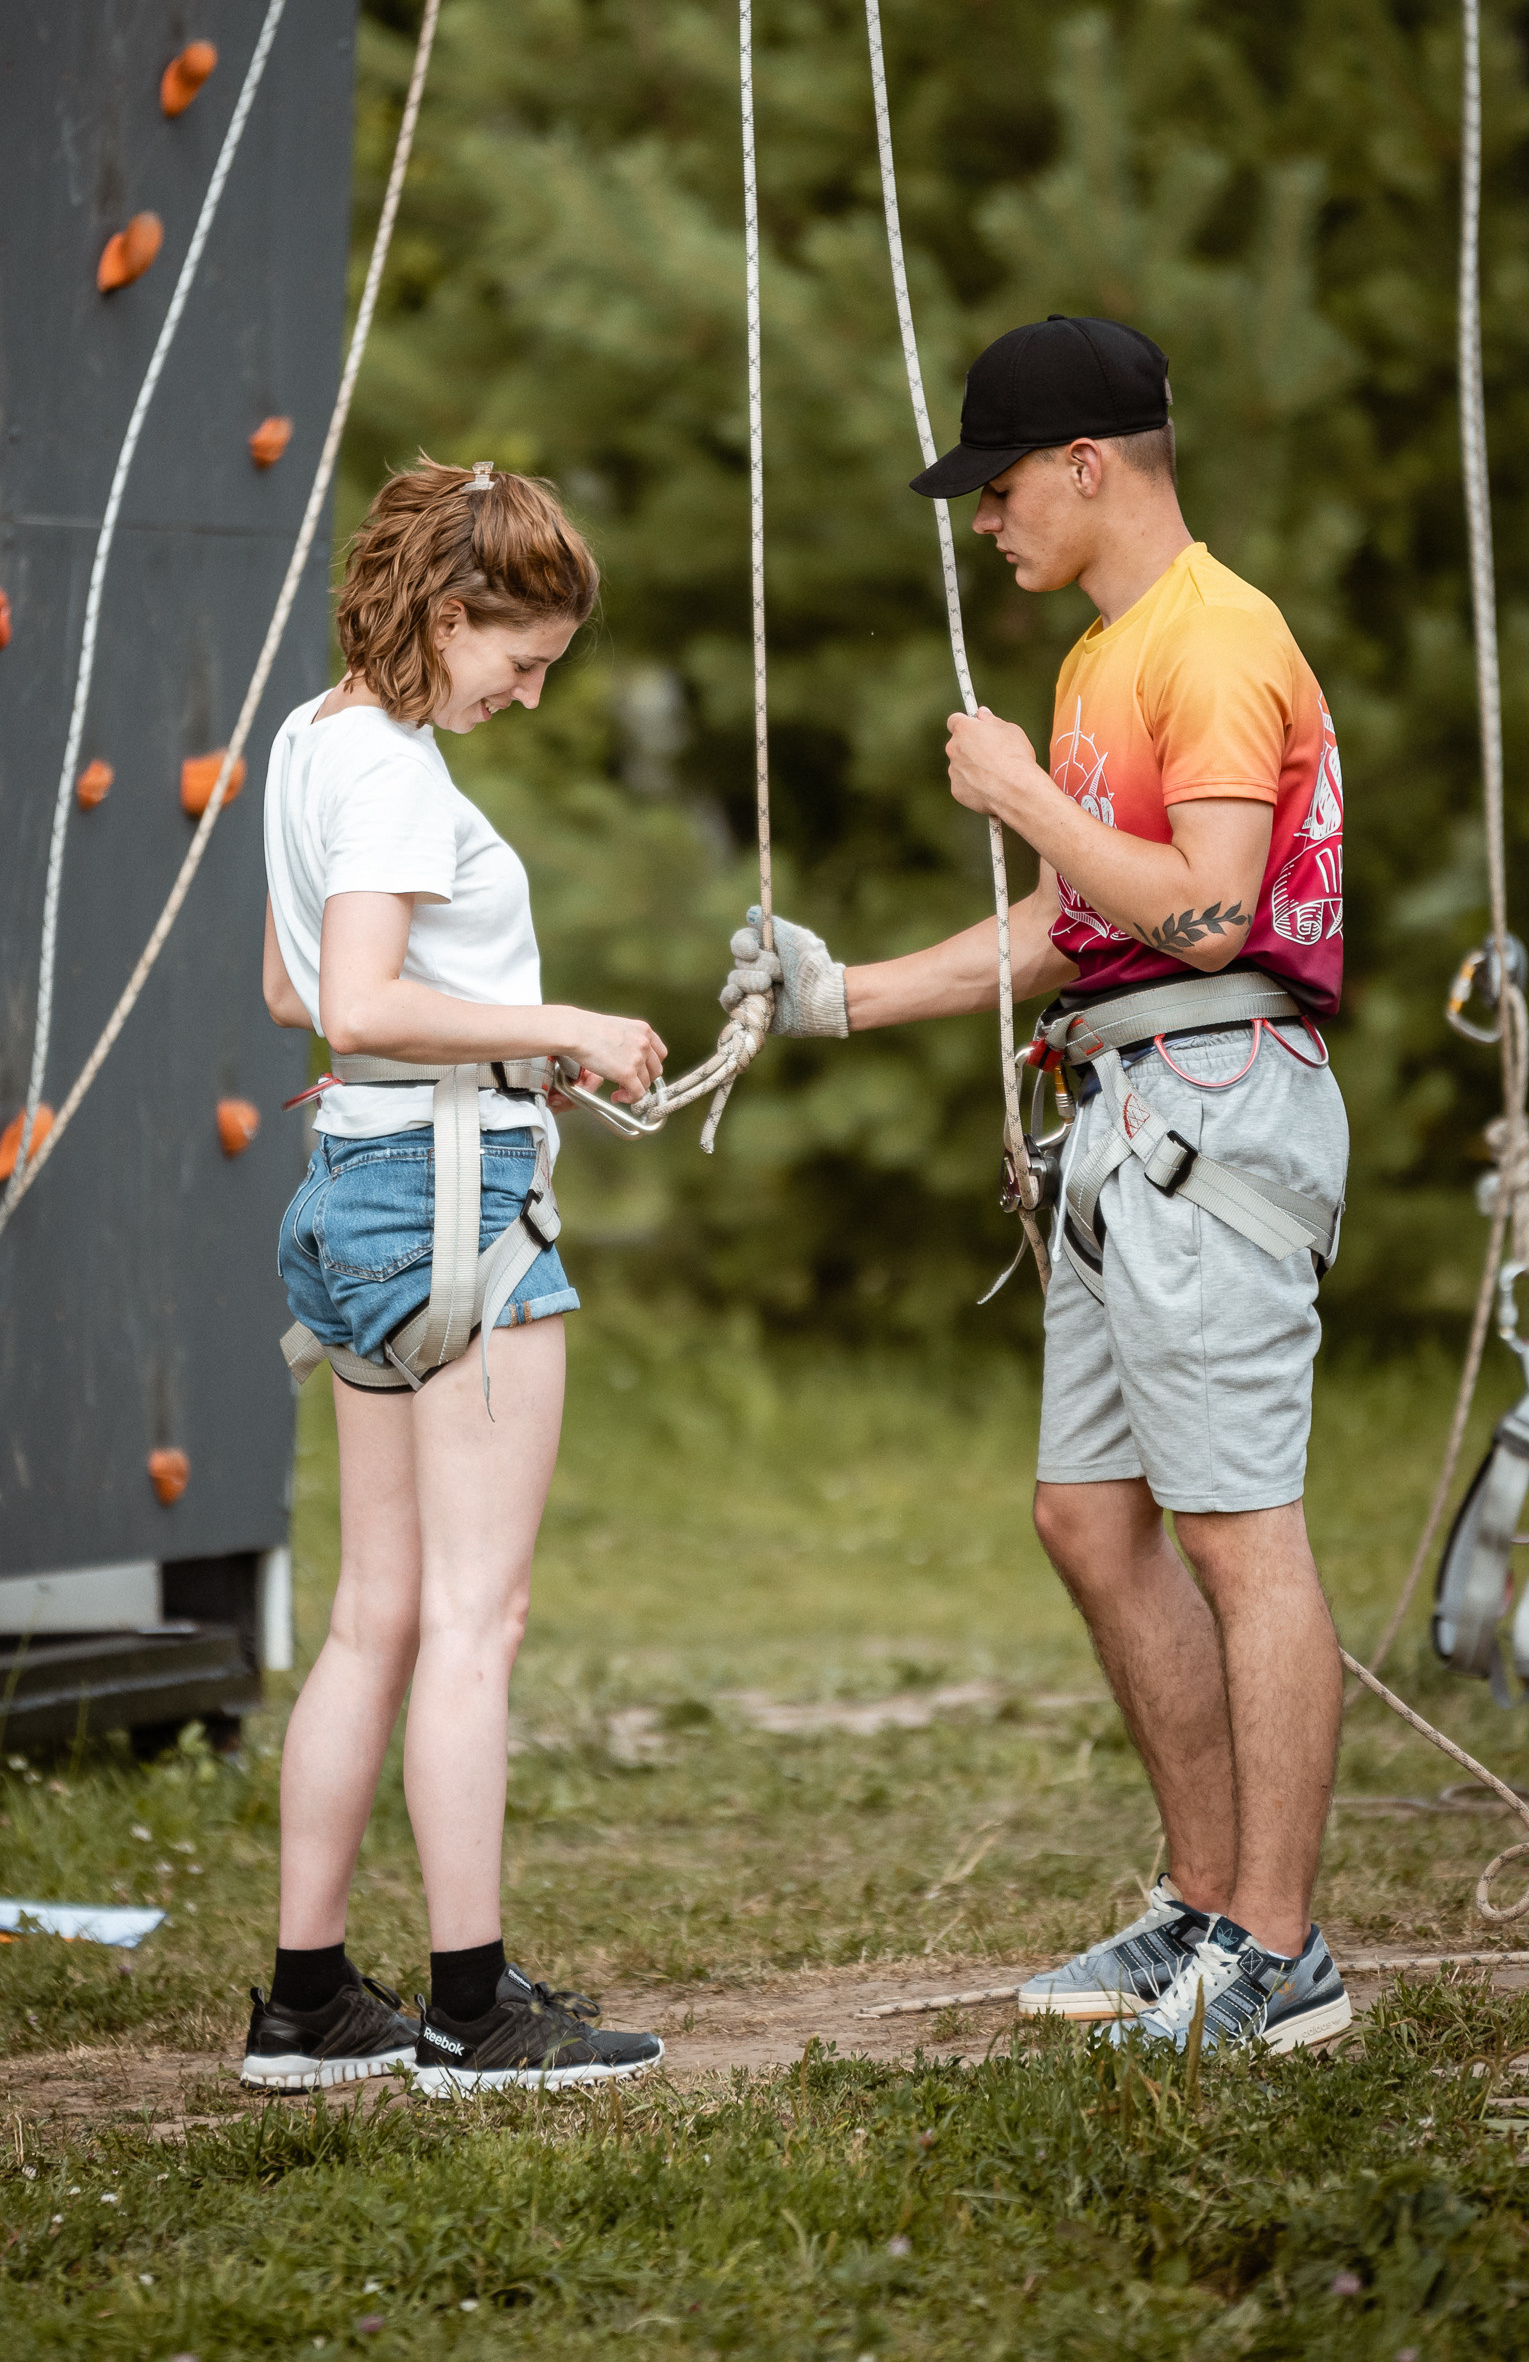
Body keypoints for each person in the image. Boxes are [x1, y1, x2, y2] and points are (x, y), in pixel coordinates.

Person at [722, 315, 1352, 2056]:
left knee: (1241, 1536)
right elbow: (1075, 919)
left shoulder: (1214, 644)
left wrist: (1013, 790)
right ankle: (1207, 1906)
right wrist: (839, 996)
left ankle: (1285, 1957)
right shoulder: (1097, 662)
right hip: (1126, 1105)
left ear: (1088, 466)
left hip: (1218, 1106)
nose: (984, 525)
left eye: (999, 491)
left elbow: (1208, 909)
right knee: (1088, 1518)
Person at [243, 456, 666, 2096]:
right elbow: (354, 997)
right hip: (449, 1198)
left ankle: (307, 1997)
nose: (532, 694)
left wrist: (485, 1044)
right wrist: (561, 1028)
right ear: (449, 611)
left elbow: (293, 983)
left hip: (358, 1184)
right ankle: (473, 2008)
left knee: (377, 1614)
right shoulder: (404, 775)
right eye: (524, 657)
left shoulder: (311, 738)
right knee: (475, 1622)